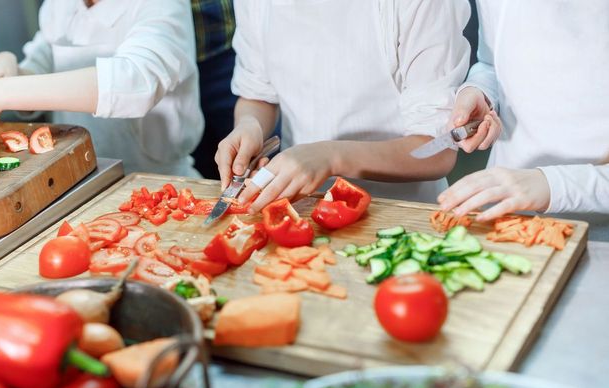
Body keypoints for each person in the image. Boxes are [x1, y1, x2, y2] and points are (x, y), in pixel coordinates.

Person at [216, 0, 471, 214]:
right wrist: (250, 124)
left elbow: (438, 150)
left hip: (399, 213)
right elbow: (258, 94)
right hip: (303, 211)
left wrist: (330, 157)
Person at [0, 0, 204, 178]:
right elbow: (46, 56)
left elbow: (135, 80)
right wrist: (13, 67)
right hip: (80, 175)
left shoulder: (162, 6)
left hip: (158, 179)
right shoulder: (60, 4)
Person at [438, 1, 609, 222]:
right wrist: (480, 91)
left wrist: (550, 184)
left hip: (597, 230)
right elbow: (491, 62)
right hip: (503, 210)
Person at [190, 0, 238, 179]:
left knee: (246, 157)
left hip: (224, 51)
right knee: (201, 162)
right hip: (174, 72)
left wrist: (250, 122)